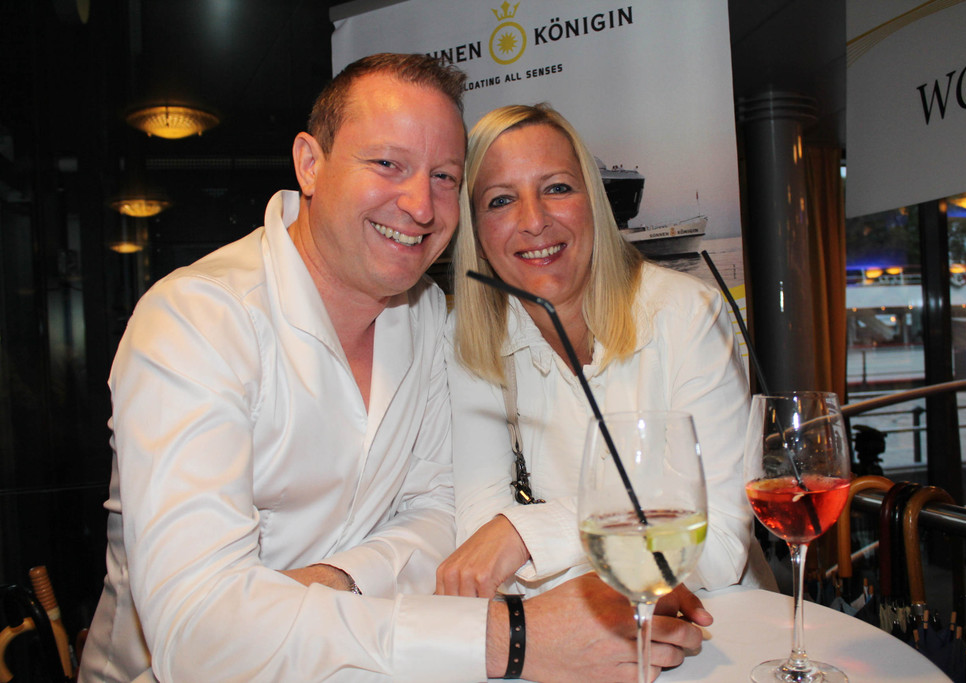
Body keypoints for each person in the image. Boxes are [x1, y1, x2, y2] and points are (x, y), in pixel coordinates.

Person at [79, 55, 708, 682]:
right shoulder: (195, 321)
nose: (421, 205)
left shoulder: (428, 315)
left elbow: (438, 515)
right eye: (388, 164)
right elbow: (199, 636)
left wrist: (336, 583)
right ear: (310, 164)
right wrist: (510, 638)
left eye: (444, 176)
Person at [438, 103, 775, 600]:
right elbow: (480, 544)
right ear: (477, 232)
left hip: (720, 625)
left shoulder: (687, 314)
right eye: (501, 200)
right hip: (567, 628)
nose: (534, 221)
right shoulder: (468, 337)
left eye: (557, 188)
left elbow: (719, 549)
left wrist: (532, 532)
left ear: (593, 201)